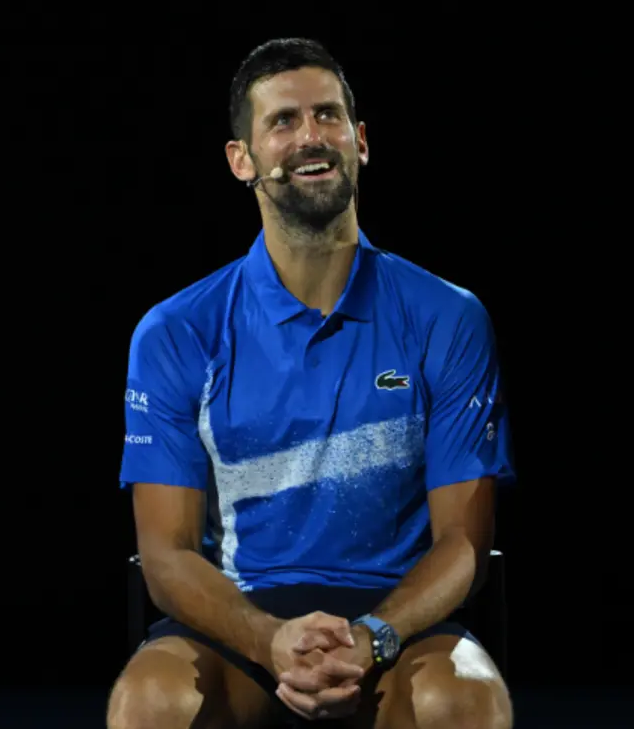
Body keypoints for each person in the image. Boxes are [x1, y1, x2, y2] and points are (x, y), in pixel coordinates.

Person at [107, 38, 515, 729]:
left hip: (399, 632)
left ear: (361, 142)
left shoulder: (448, 317)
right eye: (283, 121)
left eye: (328, 115)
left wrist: (372, 637)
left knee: (466, 699)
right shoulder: (175, 331)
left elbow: (464, 543)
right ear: (241, 160)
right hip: (241, 626)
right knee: (149, 702)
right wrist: (269, 640)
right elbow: (166, 554)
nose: (310, 137)